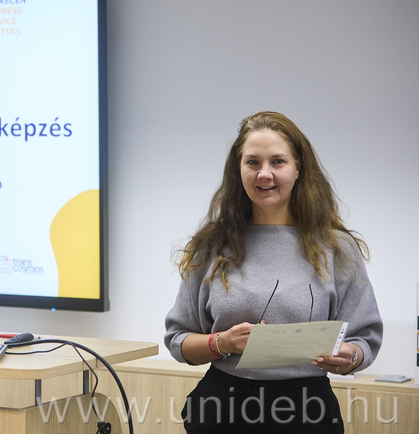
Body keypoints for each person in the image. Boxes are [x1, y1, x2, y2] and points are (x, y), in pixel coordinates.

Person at [164, 111, 382, 433]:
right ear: (238, 170)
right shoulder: (211, 244)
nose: (264, 174)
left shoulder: (336, 247)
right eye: (252, 162)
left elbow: (365, 339)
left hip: (307, 410)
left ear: (298, 168)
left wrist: (350, 355)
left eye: (278, 161)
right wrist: (223, 342)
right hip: (222, 407)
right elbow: (178, 340)